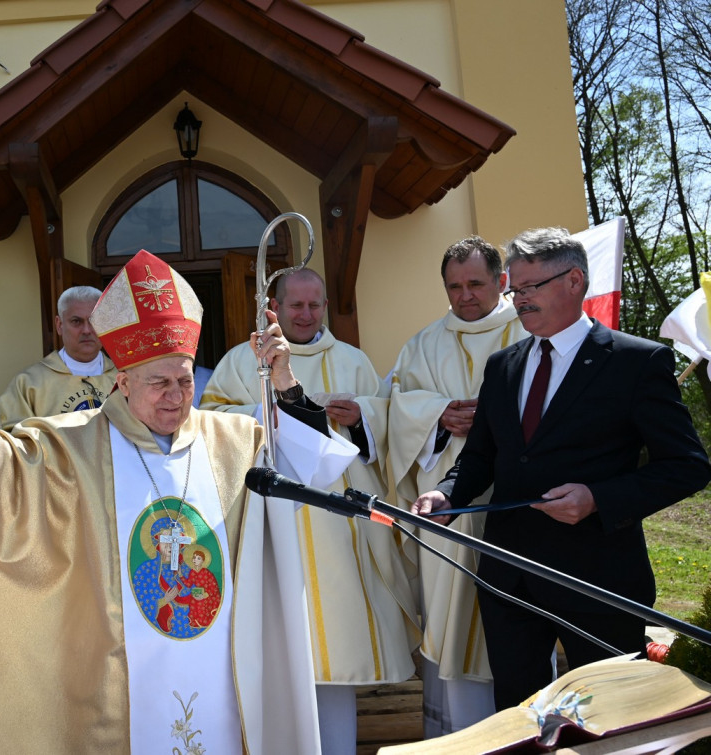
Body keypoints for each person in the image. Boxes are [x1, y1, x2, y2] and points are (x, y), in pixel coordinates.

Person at [0, 250, 360, 753]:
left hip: (224, 671)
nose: (176, 397)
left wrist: (284, 380)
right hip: (115, 679)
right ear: (123, 381)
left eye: (184, 381)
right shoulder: (74, 443)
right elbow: (6, 465)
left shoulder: (234, 441)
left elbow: (308, 458)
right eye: (158, 383)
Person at [413, 227, 711, 711]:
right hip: (509, 577)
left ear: (574, 281)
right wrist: (448, 493)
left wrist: (598, 498)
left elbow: (687, 467)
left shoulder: (636, 362)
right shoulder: (502, 366)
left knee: (612, 717)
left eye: (531, 288)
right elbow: (481, 457)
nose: (519, 300)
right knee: (519, 716)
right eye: (515, 288)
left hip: (598, 578)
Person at [201, 268, 419, 755]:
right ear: (274, 307)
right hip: (272, 518)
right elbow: (212, 421)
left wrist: (362, 414)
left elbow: (388, 425)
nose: (306, 314)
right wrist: (272, 412)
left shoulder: (353, 360)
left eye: (314, 305)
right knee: (281, 650)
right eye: (295, 306)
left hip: (337, 523)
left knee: (334, 653)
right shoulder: (242, 360)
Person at [388, 236, 526, 735]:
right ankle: (457, 734)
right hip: (441, 501)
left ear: (500, 281)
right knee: (449, 611)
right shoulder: (422, 344)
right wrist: (436, 416)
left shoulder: (528, 333)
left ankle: (521, 728)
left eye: (475, 284)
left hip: (511, 498)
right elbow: (390, 408)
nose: (464, 295)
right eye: (454, 286)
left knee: (517, 617)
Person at [0, 285, 118, 429]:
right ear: (59, 325)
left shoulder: (125, 377)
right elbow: (13, 441)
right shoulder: (29, 383)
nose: (86, 330)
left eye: (93, 320)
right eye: (76, 321)